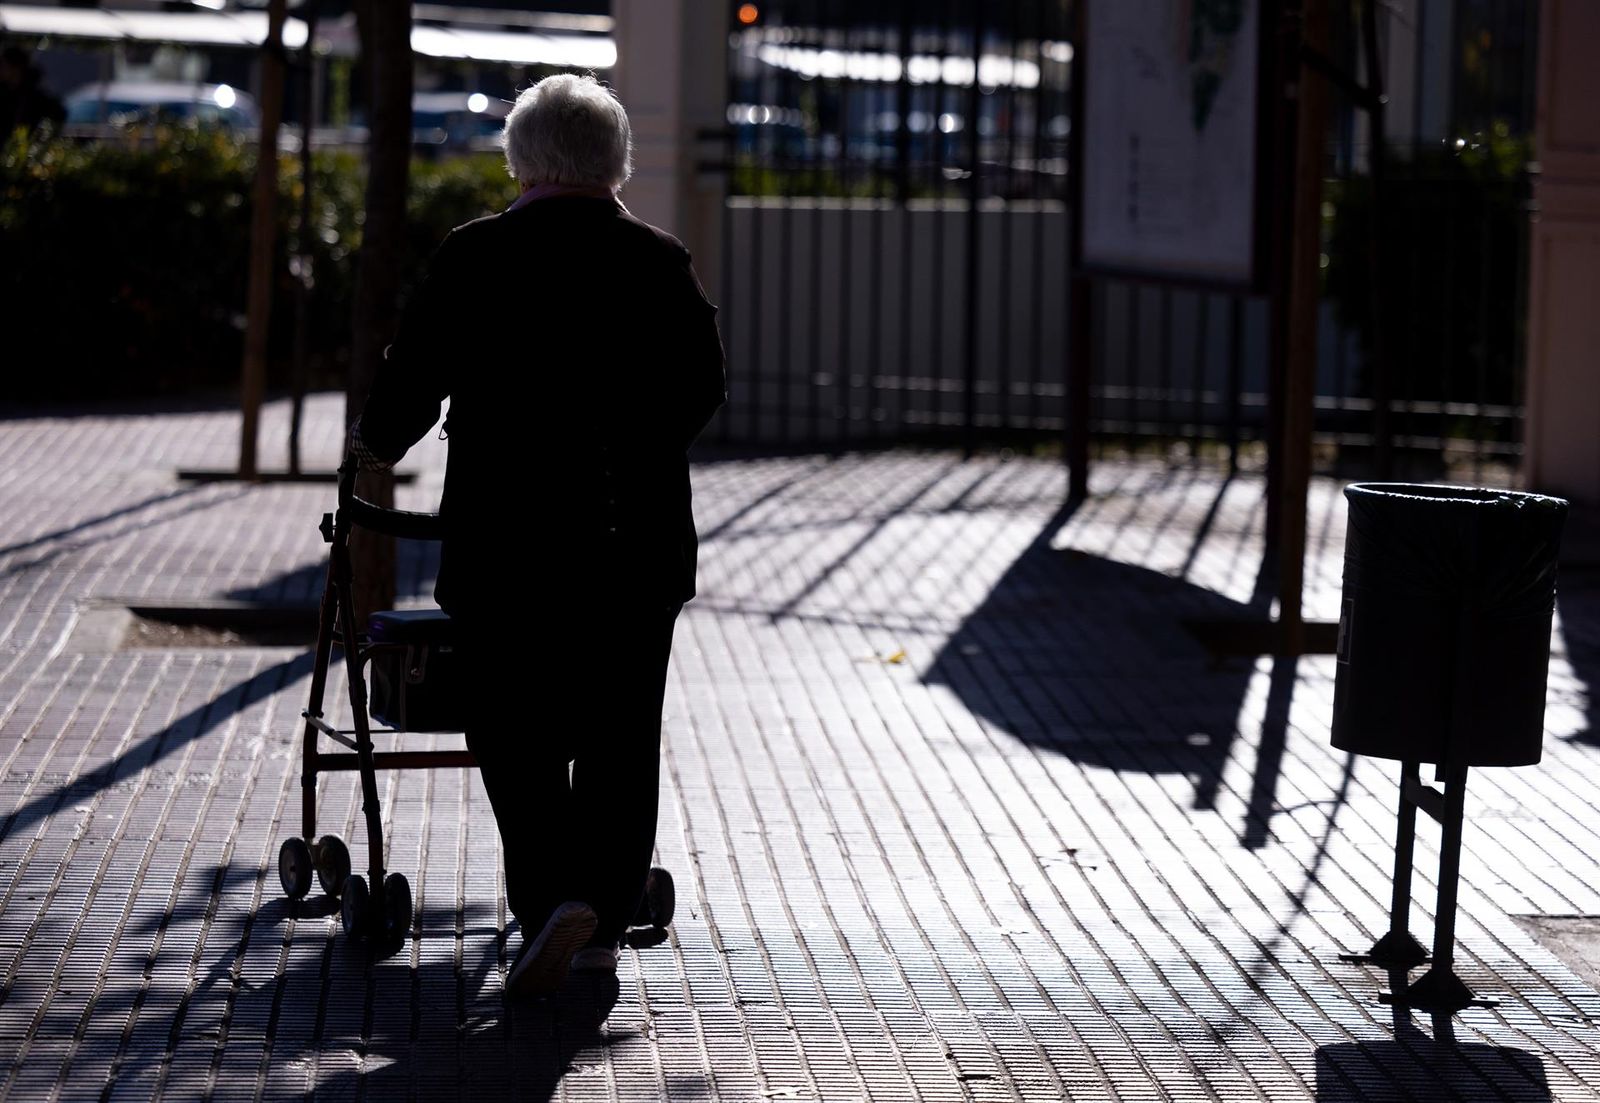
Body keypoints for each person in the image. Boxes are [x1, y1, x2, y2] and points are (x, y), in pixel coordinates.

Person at [348, 73, 726, 996]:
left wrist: (374, 444)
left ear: (519, 160)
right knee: (619, 729)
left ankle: (555, 897)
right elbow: (700, 386)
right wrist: (634, 450)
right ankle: (595, 917)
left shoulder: (476, 255)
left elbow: (414, 374)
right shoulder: (659, 259)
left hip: (505, 543)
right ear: (616, 163)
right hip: (632, 542)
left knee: (511, 723)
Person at [0, 47, 65, 136]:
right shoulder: (7, 93)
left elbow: (57, 114)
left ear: (15, 69)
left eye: (3, 66)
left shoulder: (35, 98)